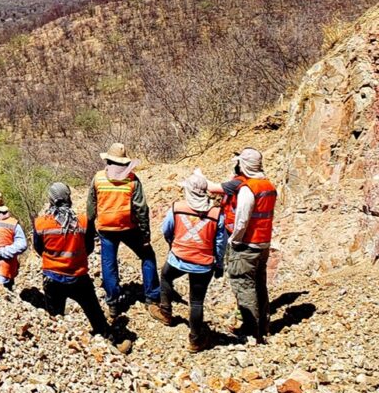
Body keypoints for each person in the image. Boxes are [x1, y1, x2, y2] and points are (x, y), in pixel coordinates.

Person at [87, 142, 164, 321]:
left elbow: (91, 206)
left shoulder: (98, 178)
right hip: (129, 227)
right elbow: (141, 209)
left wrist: (90, 228)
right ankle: (152, 297)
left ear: (108, 161)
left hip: (106, 228)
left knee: (109, 264)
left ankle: (113, 303)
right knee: (147, 256)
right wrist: (145, 234)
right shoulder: (132, 179)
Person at [206, 148, 277, 343]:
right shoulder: (268, 185)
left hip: (247, 243)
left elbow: (242, 221)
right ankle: (264, 326)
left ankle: (251, 331)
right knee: (259, 285)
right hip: (263, 243)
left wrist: (234, 240)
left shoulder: (248, 188)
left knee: (243, 285)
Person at [153, 171, 227, 351]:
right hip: (203, 263)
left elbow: (166, 229)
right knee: (196, 301)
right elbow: (220, 243)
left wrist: (173, 244)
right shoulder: (217, 214)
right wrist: (218, 264)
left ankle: (165, 312)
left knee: (165, 277)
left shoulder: (177, 208)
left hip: (179, 257)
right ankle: (195, 339)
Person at [33, 182, 111, 336]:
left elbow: (38, 248)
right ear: (68, 198)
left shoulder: (40, 223)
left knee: (54, 320)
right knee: (94, 312)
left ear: (50, 200)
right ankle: (108, 337)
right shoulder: (83, 221)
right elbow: (89, 247)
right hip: (79, 276)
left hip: (52, 277)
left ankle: (58, 346)